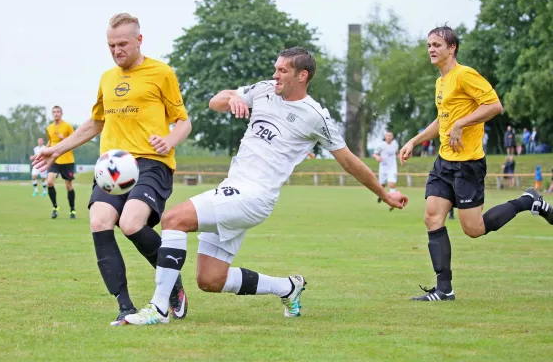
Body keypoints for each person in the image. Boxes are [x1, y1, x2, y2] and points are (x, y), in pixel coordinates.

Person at [123, 47, 409, 326]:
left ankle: (159, 310)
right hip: (233, 188)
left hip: (254, 196)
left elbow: (349, 162)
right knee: (210, 280)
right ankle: (287, 287)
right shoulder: (263, 89)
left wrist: (384, 193)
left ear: (302, 75)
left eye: (282, 70)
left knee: (173, 219)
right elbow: (215, 101)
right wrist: (233, 98)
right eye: (275, 69)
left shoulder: (315, 116)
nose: (275, 75)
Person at [33, 13, 192, 325]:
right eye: (111, 45)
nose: (117, 50)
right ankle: (125, 307)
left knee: (132, 223)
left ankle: (173, 284)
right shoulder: (107, 78)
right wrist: (57, 148)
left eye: (122, 44)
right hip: (112, 165)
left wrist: (169, 140)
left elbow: (183, 121)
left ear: (138, 41)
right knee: (99, 221)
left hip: (150, 163)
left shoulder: (161, 72)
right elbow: (95, 122)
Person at [399, 25, 553, 302]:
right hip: (444, 162)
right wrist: (415, 140)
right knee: (432, 217)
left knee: (473, 229)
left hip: (468, 164)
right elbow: (442, 120)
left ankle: (527, 200)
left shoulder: (465, 75)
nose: (431, 50)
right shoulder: (441, 82)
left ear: (452, 48)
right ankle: (444, 289)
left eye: (437, 45)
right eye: (429, 45)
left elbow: (494, 105)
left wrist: (462, 123)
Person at [45, 106, 76, 219]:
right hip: (54, 160)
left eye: (58, 112)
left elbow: (74, 141)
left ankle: (72, 210)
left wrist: (64, 140)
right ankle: (55, 207)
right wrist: (43, 150)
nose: (56, 114)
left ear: (62, 113)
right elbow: (50, 141)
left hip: (67, 160)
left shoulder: (67, 126)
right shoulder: (49, 128)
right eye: (54, 112)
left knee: (68, 186)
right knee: (49, 182)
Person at [373, 130, 399, 205]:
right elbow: (375, 154)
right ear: (385, 137)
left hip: (392, 167)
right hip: (383, 168)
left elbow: (396, 153)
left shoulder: (395, 145)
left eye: (390, 135)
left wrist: (400, 156)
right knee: (382, 185)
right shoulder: (381, 145)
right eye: (387, 135)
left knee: (392, 183)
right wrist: (377, 157)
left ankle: (392, 200)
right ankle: (380, 196)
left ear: (392, 137)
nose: (389, 137)